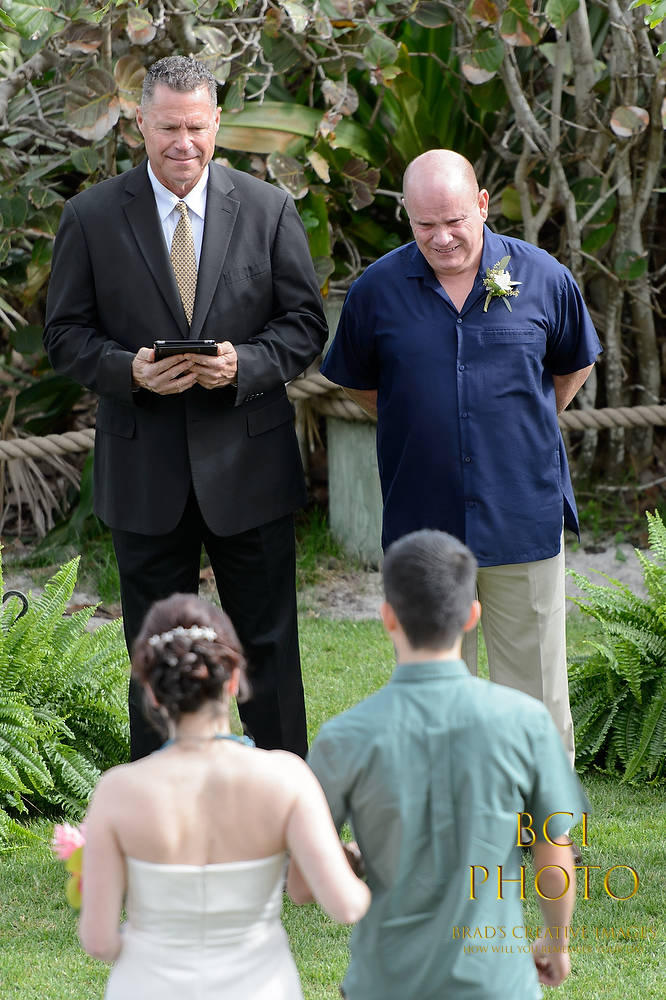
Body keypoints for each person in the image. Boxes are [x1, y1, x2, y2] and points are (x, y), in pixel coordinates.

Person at [43, 56, 327, 761]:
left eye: (196, 127)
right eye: (168, 127)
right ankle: (158, 808)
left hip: (251, 470)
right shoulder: (90, 217)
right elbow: (64, 335)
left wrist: (243, 365)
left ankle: (282, 801)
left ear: (218, 122)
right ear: (139, 122)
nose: (184, 143)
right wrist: (129, 371)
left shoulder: (268, 209)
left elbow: (303, 326)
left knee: (269, 649)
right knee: (155, 657)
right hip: (145, 475)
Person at [320, 149, 602, 765]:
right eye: (426, 225)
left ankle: (545, 815)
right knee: (434, 693)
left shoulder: (544, 277)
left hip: (521, 511)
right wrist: (423, 420)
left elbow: (573, 363)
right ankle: (448, 812)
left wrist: (521, 424)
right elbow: (360, 382)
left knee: (536, 691)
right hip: (423, 519)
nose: (442, 237)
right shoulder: (376, 291)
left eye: (454, 221)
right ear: (407, 218)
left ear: (482, 205)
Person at [292, 529, 588, 1000]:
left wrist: (354, 855)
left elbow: (302, 887)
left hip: (384, 984)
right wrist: (557, 942)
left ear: (387, 617)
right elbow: (554, 857)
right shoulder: (527, 722)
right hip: (496, 983)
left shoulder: (342, 737)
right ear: (472, 615)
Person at [79, 593, 370, 1000]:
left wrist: (149, 946)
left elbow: (98, 941)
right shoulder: (286, 777)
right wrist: (360, 854)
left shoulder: (117, 791)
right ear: (233, 680)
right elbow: (346, 906)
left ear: (153, 693)